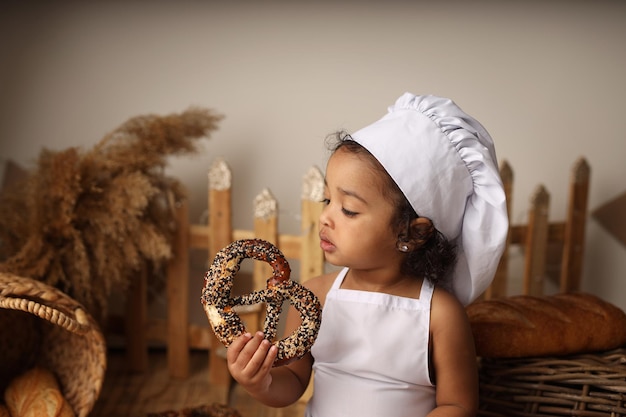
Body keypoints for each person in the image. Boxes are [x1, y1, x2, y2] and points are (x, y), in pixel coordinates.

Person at [226, 93, 508, 417]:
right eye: (326, 200)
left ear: (412, 233)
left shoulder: (440, 314)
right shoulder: (314, 296)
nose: (326, 218)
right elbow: (291, 380)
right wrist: (258, 382)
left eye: (348, 209)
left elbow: (457, 404)